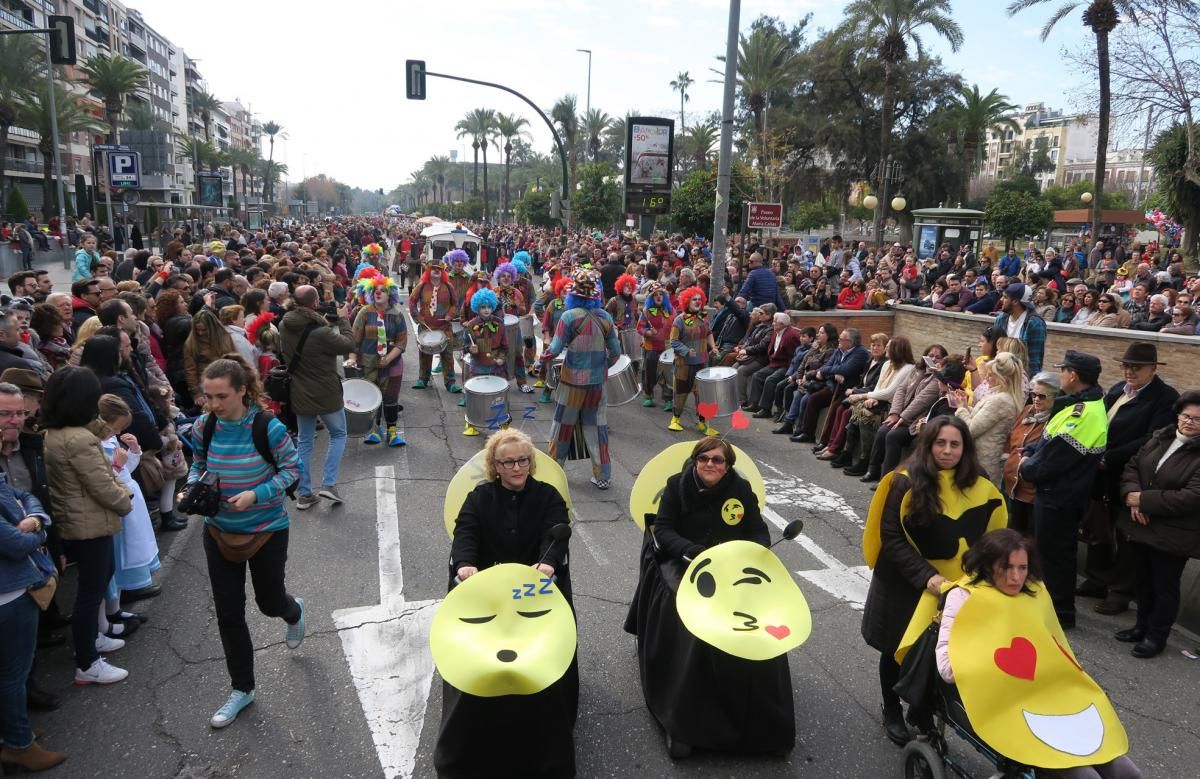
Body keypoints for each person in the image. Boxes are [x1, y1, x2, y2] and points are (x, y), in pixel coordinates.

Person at [623, 436, 793, 759]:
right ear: (695, 461)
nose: (710, 465)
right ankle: (684, 717)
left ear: (727, 465)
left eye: (717, 460)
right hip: (686, 560)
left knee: (758, 614)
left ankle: (768, 720)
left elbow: (758, 531)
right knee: (691, 616)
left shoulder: (741, 490)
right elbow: (663, 529)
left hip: (730, 565)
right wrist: (691, 551)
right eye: (704, 459)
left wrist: (752, 552)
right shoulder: (676, 486)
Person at [934, 530, 1143, 779]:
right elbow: (946, 667)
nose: (1016, 577)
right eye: (1007, 567)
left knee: (1127, 773)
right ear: (988, 565)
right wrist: (990, 656)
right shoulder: (963, 596)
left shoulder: (1034, 592)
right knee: (1086, 777)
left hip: (1049, 693)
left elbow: (1054, 645)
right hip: (1002, 701)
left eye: (1022, 568)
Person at [436, 429, 575, 777]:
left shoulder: (548, 495)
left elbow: (557, 529)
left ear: (531, 462)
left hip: (535, 589)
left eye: (523, 460)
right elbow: (465, 532)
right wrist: (465, 563)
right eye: (509, 462)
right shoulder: (479, 497)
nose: (517, 467)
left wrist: (549, 561)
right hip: (490, 591)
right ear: (495, 466)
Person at [861, 416, 1005, 746]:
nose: (947, 450)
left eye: (955, 444)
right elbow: (892, 536)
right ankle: (893, 708)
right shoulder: (904, 481)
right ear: (928, 445)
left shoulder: (979, 482)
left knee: (938, 649)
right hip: (904, 582)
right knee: (896, 648)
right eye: (940, 443)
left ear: (965, 448)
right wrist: (928, 577)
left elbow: (992, 532)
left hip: (954, 584)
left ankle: (922, 707)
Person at [184, 357, 304, 729]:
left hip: (266, 528)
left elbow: (292, 470)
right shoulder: (204, 425)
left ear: (241, 391)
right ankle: (242, 689)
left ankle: (293, 611)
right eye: (208, 396)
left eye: (221, 396)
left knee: (269, 603)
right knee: (228, 613)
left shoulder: (267, 426)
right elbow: (197, 463)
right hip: (218, 529)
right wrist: (192, 488)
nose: (214, 404)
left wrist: (257, 493)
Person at [41, 366, 133, 686]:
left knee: (99, 578)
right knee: (91, 591)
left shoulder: (56, 432)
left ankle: (93, 640)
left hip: (80, 520)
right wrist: (126, 500)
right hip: (90, 522)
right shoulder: (79, 439)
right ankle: (87, 661)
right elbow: (102, 484)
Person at [1080, 343, 1179, 617]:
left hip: (1130, 474)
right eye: (1126, 365)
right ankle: (1098, 578)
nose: (1129, 371)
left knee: (1126, 533)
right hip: (1101, 471)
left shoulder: (1165, 398)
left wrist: (1109, 457)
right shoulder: (1116, 390)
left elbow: (1152, 438)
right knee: (1099, 525)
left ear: (1153, 369)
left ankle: (1120, 590)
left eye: (1136, 367)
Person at [1019, 350, 1108, 628]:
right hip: (1057, 494)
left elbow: (1053, 459)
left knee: (1055, 556)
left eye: (1063, 371)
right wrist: (1030, 452)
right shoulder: (1076, 405)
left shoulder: (1084, 412)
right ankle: (1051, 606)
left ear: (1073, 375)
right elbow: (1046, 440)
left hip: (1062, 496)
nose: (1061, 375)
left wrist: (1026, 467)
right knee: (1049, 552)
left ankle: (1059, 613)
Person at [0, 382, 62, 771]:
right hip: (7, 592)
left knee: (17, 671)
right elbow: (13, 543)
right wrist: (37, 530)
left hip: (15, 584)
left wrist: (34, 518)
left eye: (20, 412)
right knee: (12, 674)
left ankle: (15, 731)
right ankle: (19, 743)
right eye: (6, 414)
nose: (15, 421)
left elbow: (28, 500)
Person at [1115, 390, 1200, 659]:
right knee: (1142, 581)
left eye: (1198, 419)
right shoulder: (1161, 437)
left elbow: (1192, 497)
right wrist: (1133, 498)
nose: (1190, 422)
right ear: (1178, 415)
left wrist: (1144, 500)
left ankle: (1156, 636)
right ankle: (1141, 626)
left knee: (1165, 587)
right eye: (1186, 415)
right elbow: (1132, 467)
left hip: (1174, 534)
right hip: (1141, 524)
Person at [544, 269, 621, 490]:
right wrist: (602, 366)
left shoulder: (568, 317)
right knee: (597, 426)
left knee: (563, 425)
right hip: (597, 383)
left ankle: (554, 472)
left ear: (573, 295)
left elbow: (555, 348)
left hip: (571, 382)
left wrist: (541, 361)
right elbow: (616, 352)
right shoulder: (605, 317)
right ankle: (603, 475)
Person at [280, 285, 354, 510]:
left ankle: (304, 494)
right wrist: (342, 321)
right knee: (339, 434)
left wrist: (323, 322)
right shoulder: (321, 332)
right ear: (314, 303)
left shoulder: (285, 323)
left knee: (304, 440)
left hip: (299, 390)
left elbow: (308, 335)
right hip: (325, 391)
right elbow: (348, 345)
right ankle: (329, 484)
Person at [1001, 371, 1061, 535]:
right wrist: (1006, 460)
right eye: (1033, 394)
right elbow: (1010, 437)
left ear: (1055, 397)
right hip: (1012, 485)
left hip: (1033, 491)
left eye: (1042, 396)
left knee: (1030, 538)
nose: (1035, 399)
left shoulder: (1057, 420)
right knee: (1014, 533)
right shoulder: (1027, 410)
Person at [951, 352, 1024, 486]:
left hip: (983, 463)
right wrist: (966, 406)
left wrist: (961, 408)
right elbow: (981, 419)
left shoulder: (1001, 400)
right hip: (981, 460)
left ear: (1003, 378)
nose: (987, 378)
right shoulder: (1000, 396)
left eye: (991, 375)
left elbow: (971, 429)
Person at [351, 275, 407, 447]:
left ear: (390, 294)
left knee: (390, 398)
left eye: (383, 290)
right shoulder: (365, 312)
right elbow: (354, 339)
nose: (378, 292)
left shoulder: (397, 314)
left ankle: (391, 432)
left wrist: (389, 358)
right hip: (368, 364)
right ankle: (375, 429)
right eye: (375, 290)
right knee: (372, 398)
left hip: (393, 365)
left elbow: (402, 342)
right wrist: (352, 358)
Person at [666, 286, 720, 436]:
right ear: (686, 301)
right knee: (681, 391)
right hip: (684, 364)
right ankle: (675, 419)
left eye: (699, 299)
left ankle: (703, 423)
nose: (697, 301)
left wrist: (713, 347)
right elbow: (673, 341)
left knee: (702, 394)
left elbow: (708, 334)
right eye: (694, 299)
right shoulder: (679, 320)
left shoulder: (703, 318)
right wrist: (686, 351)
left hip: (702, 362)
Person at [409, 258, 462, 393]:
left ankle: (450, 383)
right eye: (433, 269)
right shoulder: (421, 285)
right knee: (425, 354)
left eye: (439, 269)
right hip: (426, 326)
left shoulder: (448, 286)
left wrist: (450, 315)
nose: (436, 271)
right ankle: (423, 379)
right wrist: (418, 317)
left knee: (448, 355)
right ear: (428, 270)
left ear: (442, 271)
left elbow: (455, 304)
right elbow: (412, 302)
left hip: (444, 326)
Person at [993, 283, 1046, 375]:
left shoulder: (1035, 324)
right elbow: (994, 349)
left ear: (1015, 301)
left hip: (1021, 377)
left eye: (1005, 297)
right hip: (999, 373)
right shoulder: (1001, 319)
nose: (1001, 300)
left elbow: (1034, 360)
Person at [636, 283, 674, 409]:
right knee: (649, 372)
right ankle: (648, 396)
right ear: (651, 298)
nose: (658, 297)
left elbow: (677, 325)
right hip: (651, 347)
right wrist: (647, 332)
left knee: (667, 374)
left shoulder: (671, 310)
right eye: (655, 295)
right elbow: (640, 327)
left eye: (661, 294)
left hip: (667, 348)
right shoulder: (646, 312)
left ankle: (668, 399)